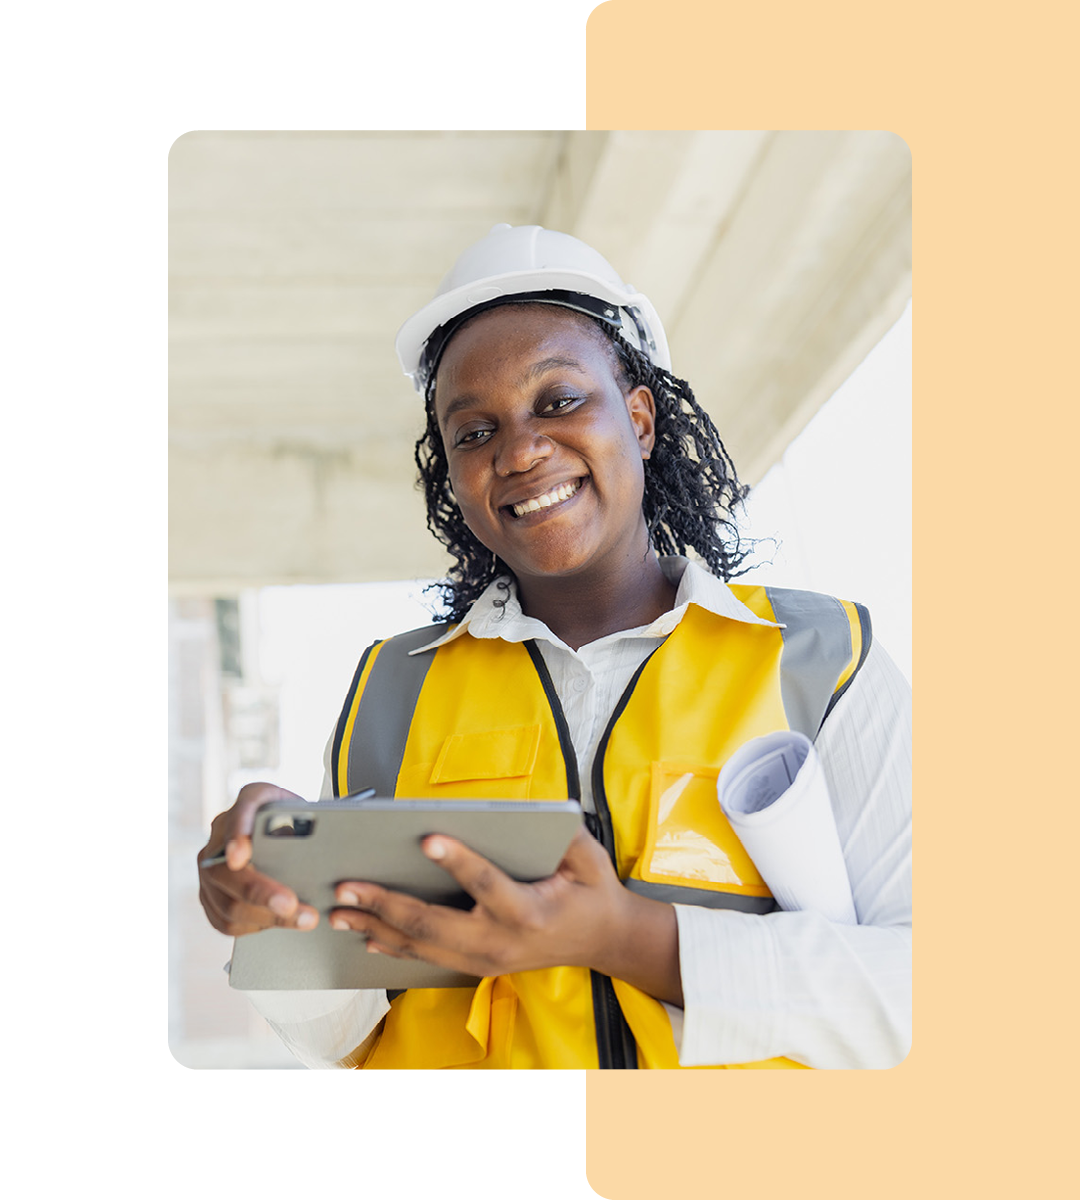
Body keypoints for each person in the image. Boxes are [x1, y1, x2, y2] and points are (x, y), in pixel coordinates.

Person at [198, 224, 911, 1070]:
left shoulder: (821, 660)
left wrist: (629, 938)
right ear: (452, 480)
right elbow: (338, 1033)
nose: (522, 450)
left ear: (639, 419)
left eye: (559, 400)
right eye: (474, 432)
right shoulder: (392, 692)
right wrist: (270, 914)